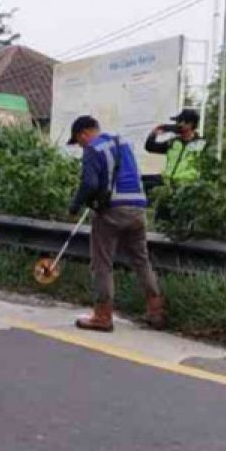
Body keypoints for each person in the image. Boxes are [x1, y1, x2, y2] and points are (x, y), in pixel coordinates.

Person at [68, 116, 167, 332]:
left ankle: (103, 316)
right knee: (141, 260)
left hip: (112, 210)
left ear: (83, 133)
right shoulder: (123, 144)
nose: (80, 145)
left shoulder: (94, 149)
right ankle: (155, 311)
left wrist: (76, 205)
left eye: (78, 141)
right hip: (138, 208)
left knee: (102, 263)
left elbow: (90, 183)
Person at [145, 108, 208, 188]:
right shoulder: (174, 142)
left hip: (186, 187)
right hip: (167, 183)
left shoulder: (202, 144)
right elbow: (150, 147)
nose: (177, 125)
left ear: (190, 124)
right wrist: (154, 133)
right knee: (141, 181)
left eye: (179, 122)